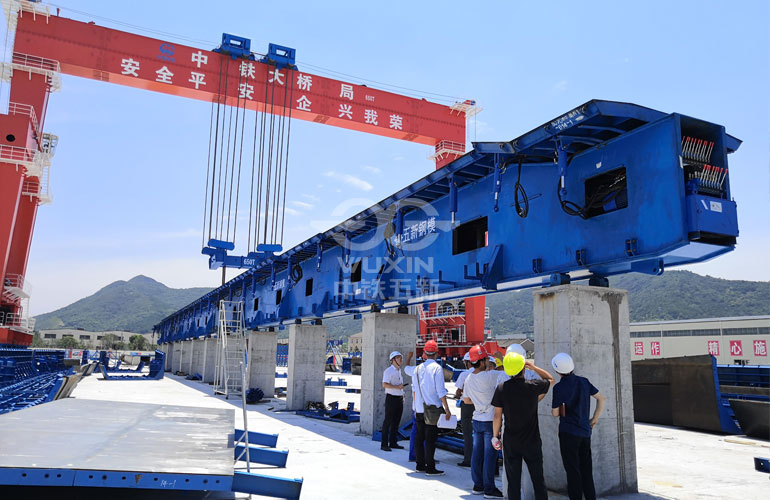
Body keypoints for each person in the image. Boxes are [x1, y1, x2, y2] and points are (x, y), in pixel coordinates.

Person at [492, 352, 554, 500]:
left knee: (513, 482)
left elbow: (497, 416)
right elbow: (551, 379)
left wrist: (495, 436)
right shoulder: (533, 387)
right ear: (523, 368)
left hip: (511, 441)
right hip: (532, 441)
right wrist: (533, 366)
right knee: (538, 480)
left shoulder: (501, 388)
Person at [550, 353, 606, 500]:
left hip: (568, 433)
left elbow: (555, 413)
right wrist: (594, 419)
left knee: (573, 471)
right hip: (585, 432)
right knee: (586, 470)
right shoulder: (584, 382)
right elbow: (601, 398)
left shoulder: (558, 388)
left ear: (557, 370)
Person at [462, 344, 505, 498]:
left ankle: (478, 485)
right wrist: (500, 360)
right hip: (490, 422)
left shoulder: (468, 378)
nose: (488, 361)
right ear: (481, 362)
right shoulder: (490, 376)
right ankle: (489, 488)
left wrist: (479, 401)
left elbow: (466, 400)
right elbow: (507, 374)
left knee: (477, 454)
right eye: (486, 359)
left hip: (477, 419)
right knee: (490, 455)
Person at [412, 339, 452, 476]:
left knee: (419, 438)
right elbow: (441, 391)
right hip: (433, 410)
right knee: (430, 440)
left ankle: (420, 465)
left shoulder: (417, 369)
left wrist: (416, 408)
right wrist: (447, 409)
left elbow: (414, 391)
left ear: (424, 353)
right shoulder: (436, 368)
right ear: (436, 353)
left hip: (419, 409)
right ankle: (430, 467)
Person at [381, 351, 406, 451]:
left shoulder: (399, 370)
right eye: (399, 358)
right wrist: (397, 387)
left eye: (401, 358)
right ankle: (384, 444)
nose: (401, 360)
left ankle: (393, 442)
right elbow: (384, 384)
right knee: (388, 421)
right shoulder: (389, 371)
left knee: (396, 421)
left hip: (399, 398)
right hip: (391, 398)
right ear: (393, 360)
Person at [454, 351, 474, 467]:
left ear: (467, 362)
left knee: (467, 434)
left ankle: (468, 459)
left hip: (467, 405)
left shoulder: (464, 375)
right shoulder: (484, 373)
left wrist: (458, 395)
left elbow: (458, 391)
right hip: (481, 406)